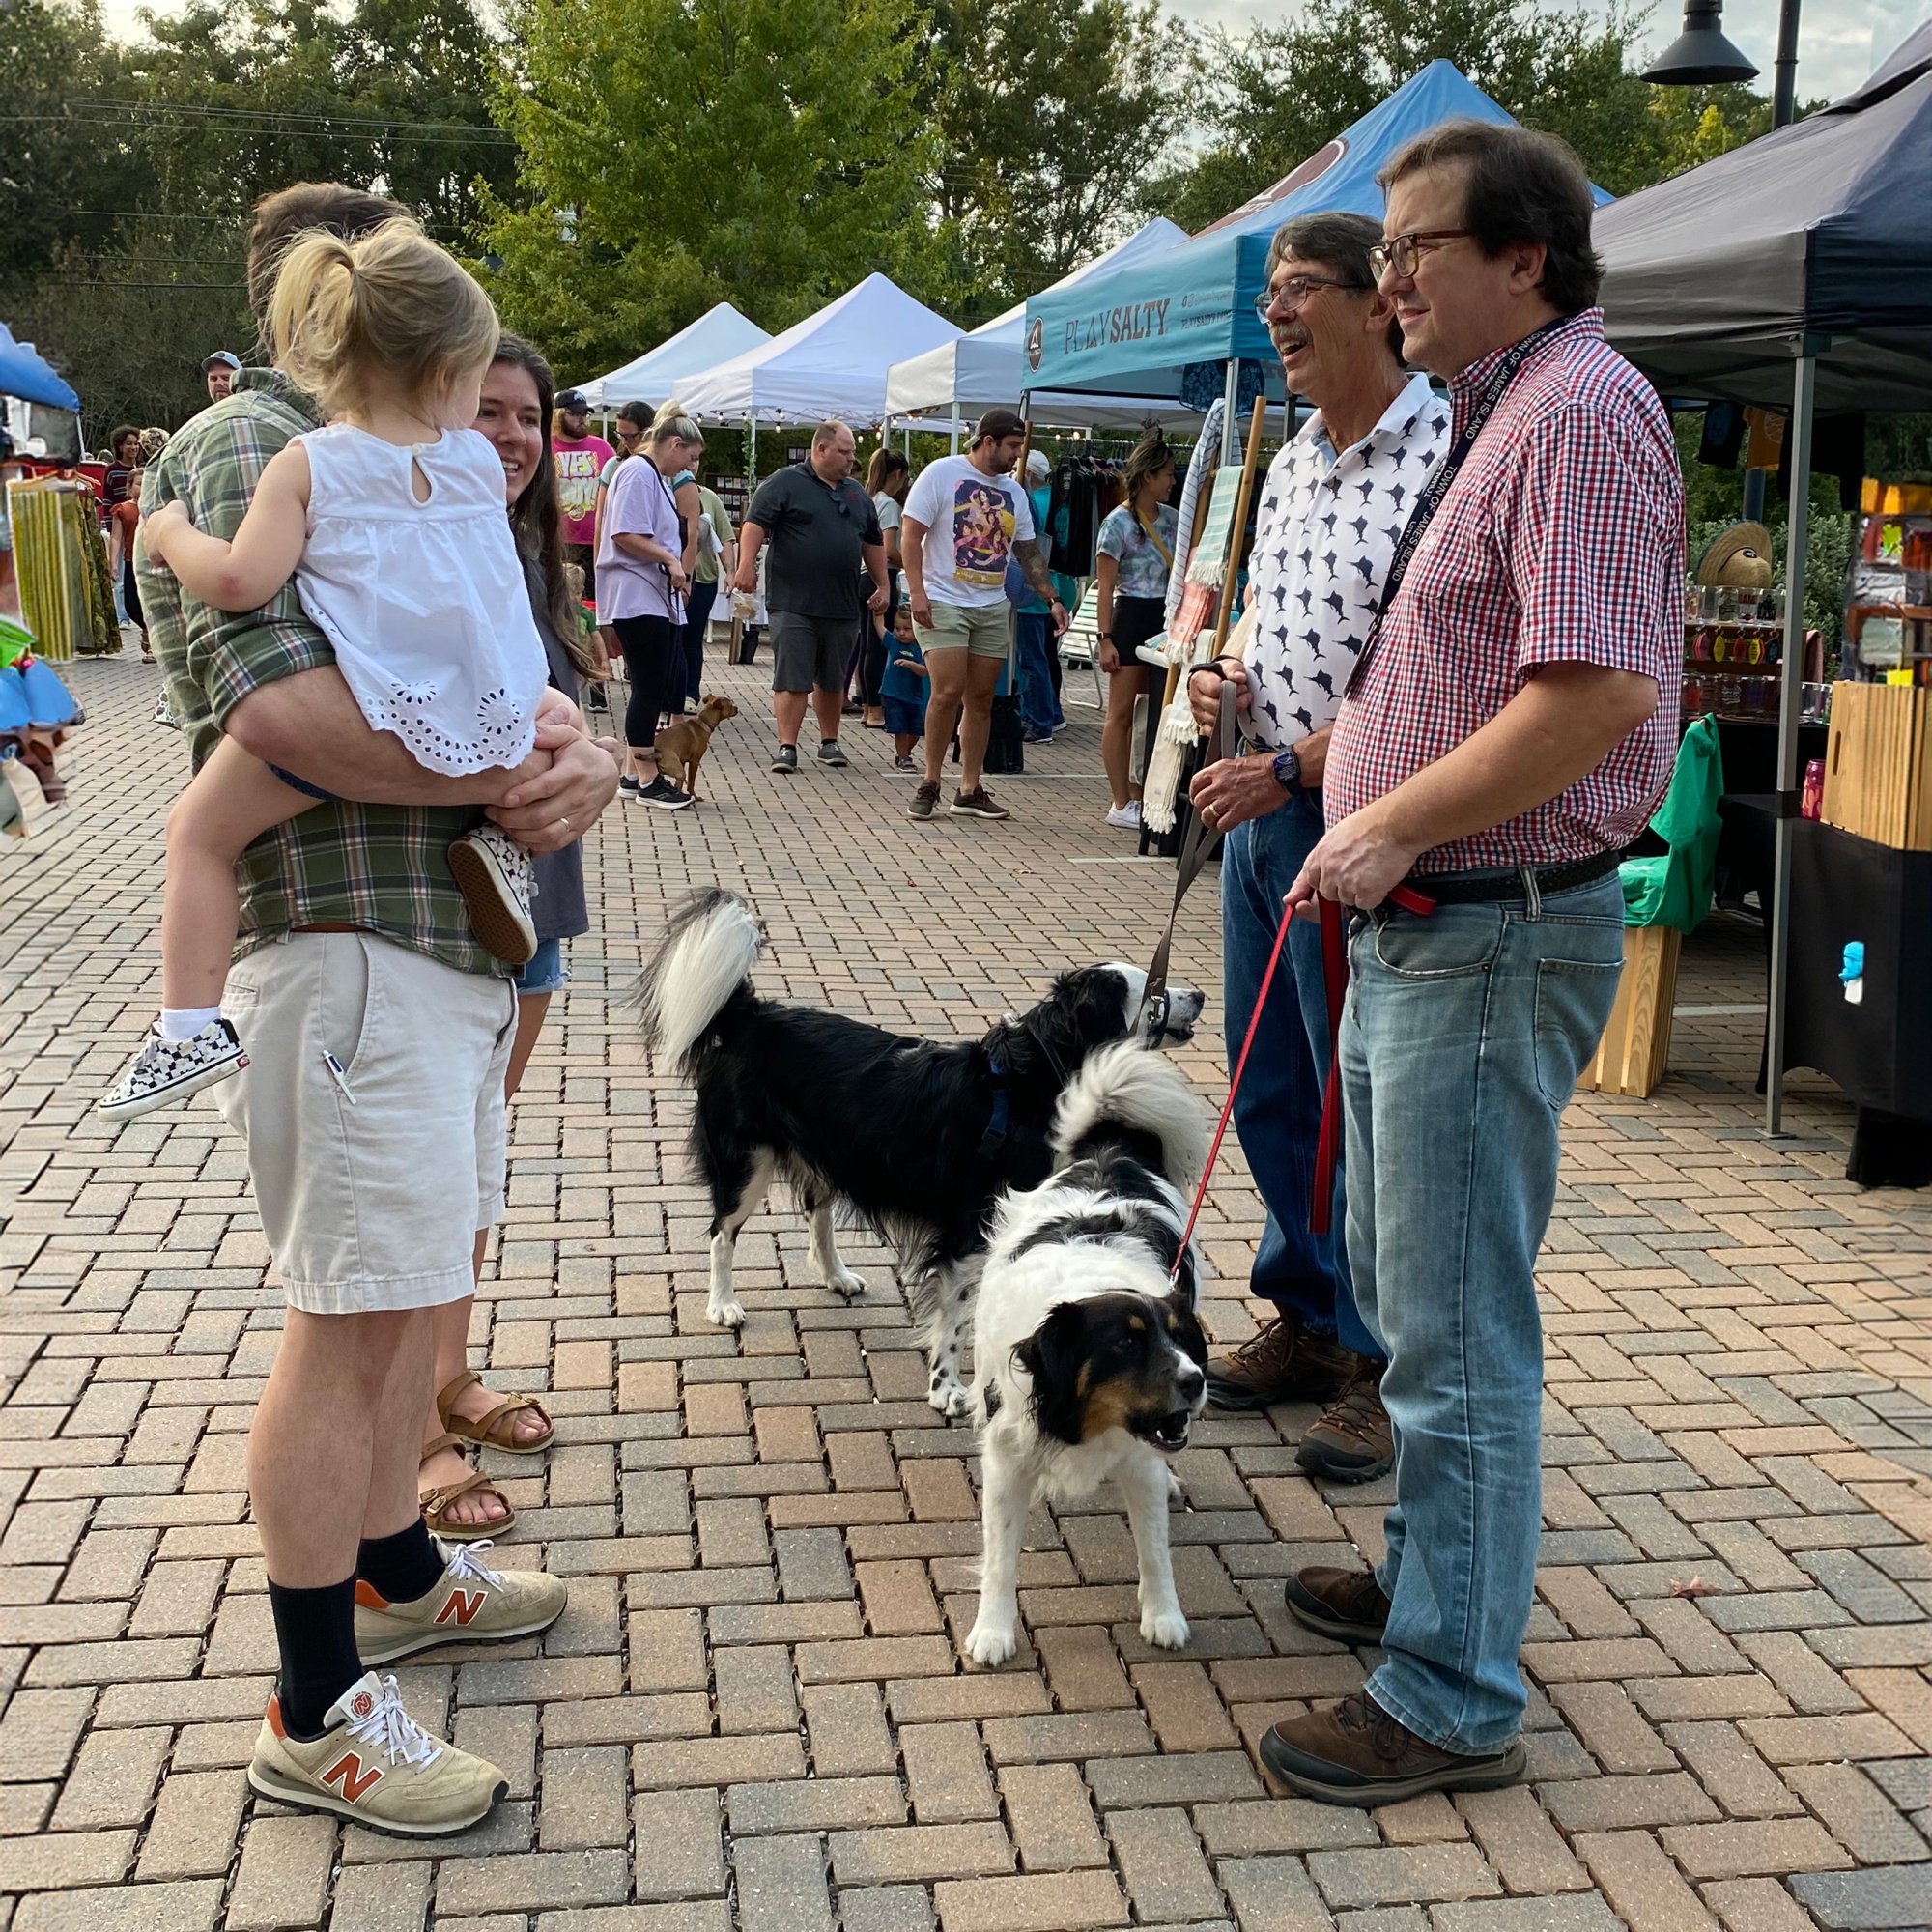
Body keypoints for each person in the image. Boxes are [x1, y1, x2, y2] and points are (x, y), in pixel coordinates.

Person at [134, 181, 617, 1836]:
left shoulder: (394, 465)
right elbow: (285, 715)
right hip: (346, 949)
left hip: (428, 944)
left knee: (404, 1297)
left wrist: (582, 762)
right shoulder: (250, 451)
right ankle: (313, 1706)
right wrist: (514, 764)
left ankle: (399, 1574)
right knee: (345, 1333)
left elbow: (512, 669)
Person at [1259, 122, 1682, 1806]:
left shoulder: (1574, 415)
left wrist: (1383, 823)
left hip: (1483, 930)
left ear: (1527, 260)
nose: (1389, 278)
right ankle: (1434, 1588)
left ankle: (1447, 1689)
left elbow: (1592, 695)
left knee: (1453, 1329)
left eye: (1418, 246)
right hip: (1439, 929)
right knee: (1413, 1290)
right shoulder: (1521, 411)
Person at [101, 218, 555, 1122]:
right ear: (444, 375)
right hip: (487, 700)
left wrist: (166, 534)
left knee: (198, 831)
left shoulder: (310, 465)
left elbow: (240, 581)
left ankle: (187, 1027)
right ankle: (494, 844)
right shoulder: (473, 464)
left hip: (364, 704)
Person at [1184, 213, 1448, 1483]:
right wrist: (1223, 678)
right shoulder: (1293, 460)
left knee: (1356, 1105)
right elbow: (1263, 621)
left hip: (1356, 822)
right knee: (1269, 1084)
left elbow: (1429, 683)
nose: (1277, 316)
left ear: (1374, 300)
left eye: (1299, 291)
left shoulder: (1441, 455)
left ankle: (1378, 1365)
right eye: (1271, 295)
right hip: (1262, 807)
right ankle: (1308, 1309)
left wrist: (1291, 764)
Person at [417, 331, 599, 1536]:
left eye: (527, 415)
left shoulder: (530, 554)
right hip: (445, 894)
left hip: (538, 886)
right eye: (485, 411)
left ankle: (449, 1370)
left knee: (478, 1142)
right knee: (426, 1160)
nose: (513, 435)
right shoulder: (415, 540)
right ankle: (416, 1427)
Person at [900, 408, 1066, 823]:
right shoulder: (941, 473)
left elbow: (1027, 550)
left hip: (991, 604)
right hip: (944, 599)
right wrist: (917, 592)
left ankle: (969, 788)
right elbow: (910, 534)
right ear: (988, 441)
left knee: (981, 698)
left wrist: (1051, 598)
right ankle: (930, 780)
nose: (1017, 456)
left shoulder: (1014, 492)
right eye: (1012, 447)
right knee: (946, 691)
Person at [732, 420, 886, 775]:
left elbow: (873, 541)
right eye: (845, 452)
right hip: (793, 602)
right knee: (792, 676)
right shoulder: (785, 482)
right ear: (821, 450)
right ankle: (787, 746)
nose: (851, 460)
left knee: (833, 680)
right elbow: (755, 524)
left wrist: (884, 584)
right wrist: (745, 566)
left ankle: (829, 741)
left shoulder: (857, 494)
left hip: (842, 603)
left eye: (852, 453)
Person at [600, 400, 702, 809]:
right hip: (636, 595)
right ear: (674, 443)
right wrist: (671, 560)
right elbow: (624, 534)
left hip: (651, 595)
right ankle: (647, 777)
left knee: (653, 684)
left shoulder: (655, 476)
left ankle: (629, 773)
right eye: (690, 458)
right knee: (648, 688)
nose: (690, 468)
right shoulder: (638, 473)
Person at [1094, 430, 1179, 831]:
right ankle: (1120, 800)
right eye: (1167, 475)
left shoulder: (1175, 520)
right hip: (1130, 617)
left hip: (1165, 618)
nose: (1172, 482)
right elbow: (1106, 585)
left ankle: (1148, 790)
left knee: (1161, 710)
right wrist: (1105, 637)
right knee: (1121, 712)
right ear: (1148, 476)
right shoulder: (1118, 522)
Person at [1012, 447, 1065, 743]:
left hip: (1030, 590)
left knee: (1032, 660)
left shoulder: (1028, 501)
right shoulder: (1056, 501)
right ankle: (1051, 715)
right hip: (1050, 588)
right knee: (1043, 658)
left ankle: (1040, 720)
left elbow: (1028, 548)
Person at [859, 447, 910, 729]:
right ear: (898, 474)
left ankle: (868, 707)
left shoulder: (869, 499)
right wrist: (913, 566)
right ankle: (876, 709)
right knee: (880, 645)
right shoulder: (888, 504)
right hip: (882, 576)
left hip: (863, 576)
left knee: (867, 644)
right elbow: (889, 549)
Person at [552, 388, 614, 607]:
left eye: (584, 414)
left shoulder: (602, 448)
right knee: (557, 601)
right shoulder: (547, 447)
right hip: (557, 541)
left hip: (594, 541)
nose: (582, 420)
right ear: (559, 415)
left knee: (591, 604)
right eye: (575, 414)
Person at [685, 472, 736, 710]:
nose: (692, 464)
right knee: (671, 638)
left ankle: (690, 692)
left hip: (703, 579)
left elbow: (726, 538)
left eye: (695, 459)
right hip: (674, 578)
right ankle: (667, 689)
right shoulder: (665, 490)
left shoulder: (710, 498)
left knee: (693, 637)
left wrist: (730, 571)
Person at [102, 425, 146, 649]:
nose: (133, 447)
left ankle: (148, 634)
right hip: (121, 523)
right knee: (121, 582)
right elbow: (107, 499)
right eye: (128, 443)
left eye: (136, 443)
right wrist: (111, 526)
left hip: (141, 534)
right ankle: (123, 616)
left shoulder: (143, 469)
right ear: (120, 446)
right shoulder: (112, 470)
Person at [879, 601, 927, 769]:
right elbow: (880, 629)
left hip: (914, 697)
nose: (901, 633)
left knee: (915, 731)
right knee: (900, 729)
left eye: (907, 629)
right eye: (898, 628)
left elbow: (924, 671)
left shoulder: (920, 649)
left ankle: (902, 753)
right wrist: (877, 613)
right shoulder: (893, 642)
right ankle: (905, 758)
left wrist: (910, 664)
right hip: (892, 694)